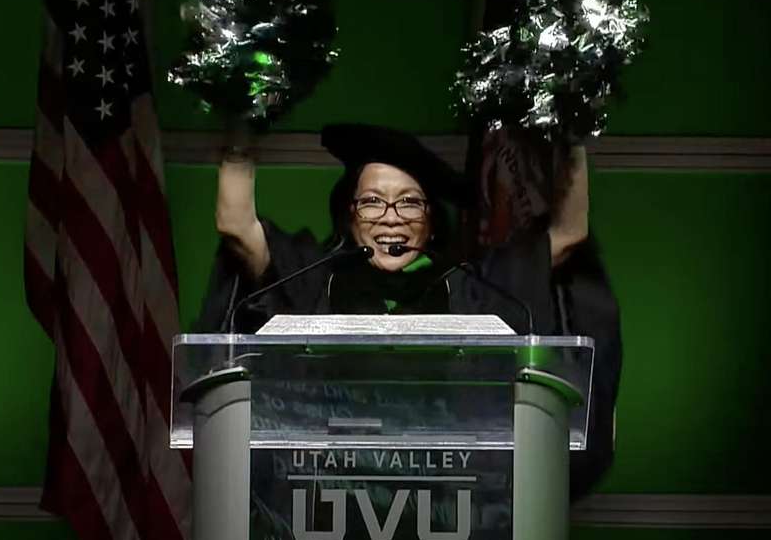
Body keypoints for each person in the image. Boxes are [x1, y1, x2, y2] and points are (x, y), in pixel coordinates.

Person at [196, 123, 621, 498]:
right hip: (318, 519)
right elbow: (236, 224)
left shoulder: (473, 291)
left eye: (409, 203)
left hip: (453, 520)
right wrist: (242, 116)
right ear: (350, 216)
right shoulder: (313, 280)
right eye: (372, 202)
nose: (391, 218)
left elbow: (569, 231)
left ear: (431, 222)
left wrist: (573, 127)